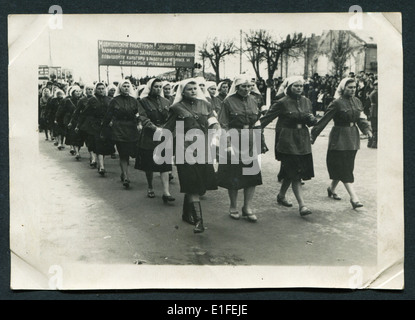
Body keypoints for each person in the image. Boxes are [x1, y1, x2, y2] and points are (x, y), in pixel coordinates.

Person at [162, 78, 220, 233]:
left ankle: (186, 213)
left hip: (203, 149)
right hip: (184, 150)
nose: (193, 91)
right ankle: (199, 221)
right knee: (192, 184)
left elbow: (214, 121)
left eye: (195, 88)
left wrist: (215, 130)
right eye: (189, 89)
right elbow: (168, 128)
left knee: (199, 186)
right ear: (182, 91)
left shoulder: (206, 104)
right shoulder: (176, 107)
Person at [311, 77, 373, 209]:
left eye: (354, 87)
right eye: (349, 87)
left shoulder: (357, 101)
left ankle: (331, 189)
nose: (352, 90)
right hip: (338, 138)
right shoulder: (336, 103)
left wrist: (367, 130)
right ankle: (354, 198)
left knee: (347, 166)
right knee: (344, 167)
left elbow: (361, 118)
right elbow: (324, 120)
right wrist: (313, 135)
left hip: (352, 139)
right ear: (342, 88)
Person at [260, 76, 318, 216]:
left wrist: (312, 120)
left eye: (300, 86)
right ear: (289, 87)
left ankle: (281, 196)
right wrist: (254, 130)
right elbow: (267, 118)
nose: (298, 88)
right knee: (296, 174)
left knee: (291, 172)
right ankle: (302, 205)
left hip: (302, 141)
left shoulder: (307, 101)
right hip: (288, 141)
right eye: (295, 86)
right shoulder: (282, 102)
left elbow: (311, 120)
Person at [217, 74, 267, 222]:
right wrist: (226, 144)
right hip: (234, 139)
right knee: (234, 174)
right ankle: (233, 206)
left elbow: (257, 122)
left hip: (250, 139)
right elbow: (223, 124)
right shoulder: (228, 102)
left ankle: (247, 207)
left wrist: (261, 141)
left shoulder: (254, 100)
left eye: (249, 86)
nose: (246, 89)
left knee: (252, 175)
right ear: (237, 87)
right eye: (243, 87)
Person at [135, 78, 174, 202]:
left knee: (165, 165)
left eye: (160, 86)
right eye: (155, 86)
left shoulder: (166, 101)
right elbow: (143, 117)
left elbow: (171, 118)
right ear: (150, 87)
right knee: (149, 165)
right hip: (149, 136)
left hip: (164, 135)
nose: (158, 89)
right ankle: (150, 186)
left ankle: (166, 192)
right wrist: (154, 128)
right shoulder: (143, 101)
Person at [103, 79, 140, 188]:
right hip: (119, 129)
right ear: (120, 88)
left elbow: (139, 114)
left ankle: (124, 172)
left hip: (132, 129)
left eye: (128, 86)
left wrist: (139, 123)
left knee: (131, 153)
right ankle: (126, 176)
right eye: (124, 86)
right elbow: (108, 115)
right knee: (123, 153)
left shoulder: (134, 101)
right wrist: (104, 129)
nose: (126, 88)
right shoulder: (115, 100)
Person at [77, 82, 114, 175]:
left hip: (106, 125)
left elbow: (112, 112)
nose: (101, 90)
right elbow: (84, 113)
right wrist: (79, 125)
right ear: (96, 90)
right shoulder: (92, 100)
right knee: (98, 143)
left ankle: (99, 162)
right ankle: (101, 166)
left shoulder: (109, 100)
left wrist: (112, 121)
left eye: (102, 88)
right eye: (99, 89)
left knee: (105, 145)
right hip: (95, 125)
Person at [368, 80, 378, 148]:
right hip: (375, 111)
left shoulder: (373, 92)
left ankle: (370, 143)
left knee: (373, 127)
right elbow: (378, 102)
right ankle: (374, 143)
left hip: (373, 111)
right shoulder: (376, 93)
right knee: (375, 128)